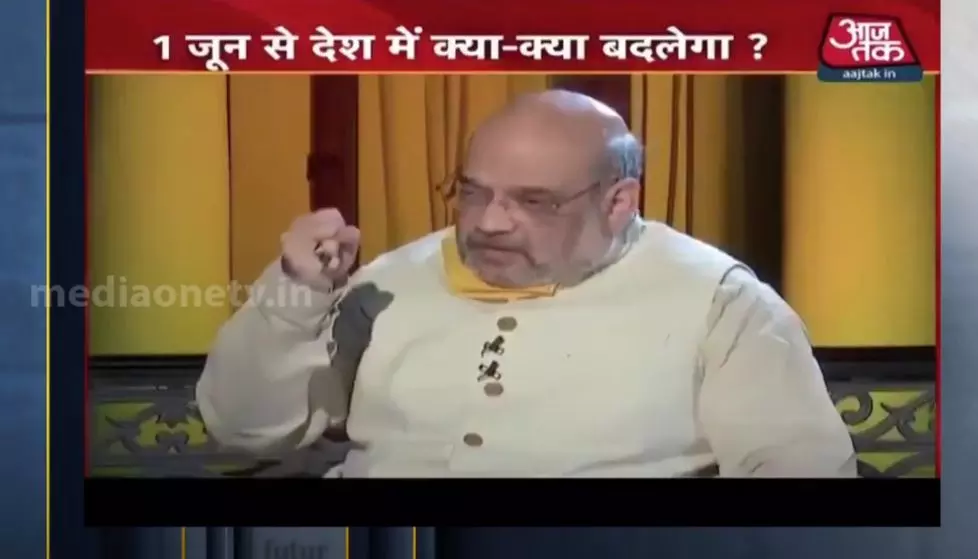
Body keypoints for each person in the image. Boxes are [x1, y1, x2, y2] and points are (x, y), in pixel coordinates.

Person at [197, 90, 856, 477]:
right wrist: (294, 295)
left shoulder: (719, 301)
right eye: (473, 192)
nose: (488, 222)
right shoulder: (391, 280)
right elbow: (246, 432)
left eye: (534, 201)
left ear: (618, 202)